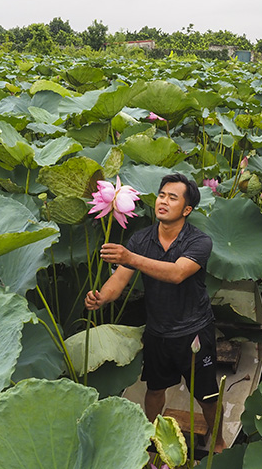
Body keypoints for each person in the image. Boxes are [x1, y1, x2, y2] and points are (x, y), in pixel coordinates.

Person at [85, 172, 226, 452]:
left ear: (187, 209)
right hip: (158, 330)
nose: (163, 201)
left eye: (172, 198)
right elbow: (118, 281)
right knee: (154, 389)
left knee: (207, 395)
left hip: (193, 331)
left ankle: (218, 440)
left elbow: (177, 274)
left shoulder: (199, 242)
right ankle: (151, 435)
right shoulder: (141, 240)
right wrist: (100, 298)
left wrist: (130, 257)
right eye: (161, 195)